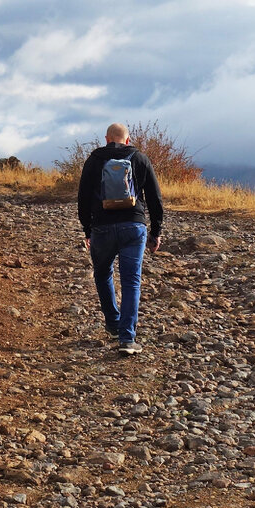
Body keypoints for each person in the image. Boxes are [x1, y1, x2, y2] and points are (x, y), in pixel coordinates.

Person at [77, 122, 164, 355]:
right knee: (131, 281)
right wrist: (156, 231)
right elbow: (155, 198)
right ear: (127, 140)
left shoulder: (94, 160)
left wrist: (87, 230)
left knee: (103, 274)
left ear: (106, 139)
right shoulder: (140, 159)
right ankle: (127, 339)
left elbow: (83, 198)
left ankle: (113, 324)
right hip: (133, 227)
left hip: (102, 228)